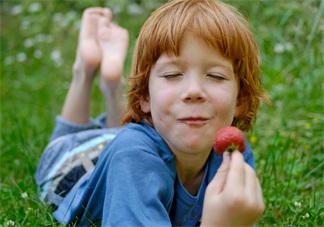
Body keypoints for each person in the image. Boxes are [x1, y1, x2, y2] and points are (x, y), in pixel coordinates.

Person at [35, 0, 269, 225]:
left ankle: (110, 82)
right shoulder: (132, 156)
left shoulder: (232, 154)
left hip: (121, 145)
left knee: (121, 137)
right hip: (74, 164)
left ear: (241, 98)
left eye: (216, 76)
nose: (194, 91)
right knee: (68, 142)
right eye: (172, 75)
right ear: (143, 96)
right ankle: (84, 72)